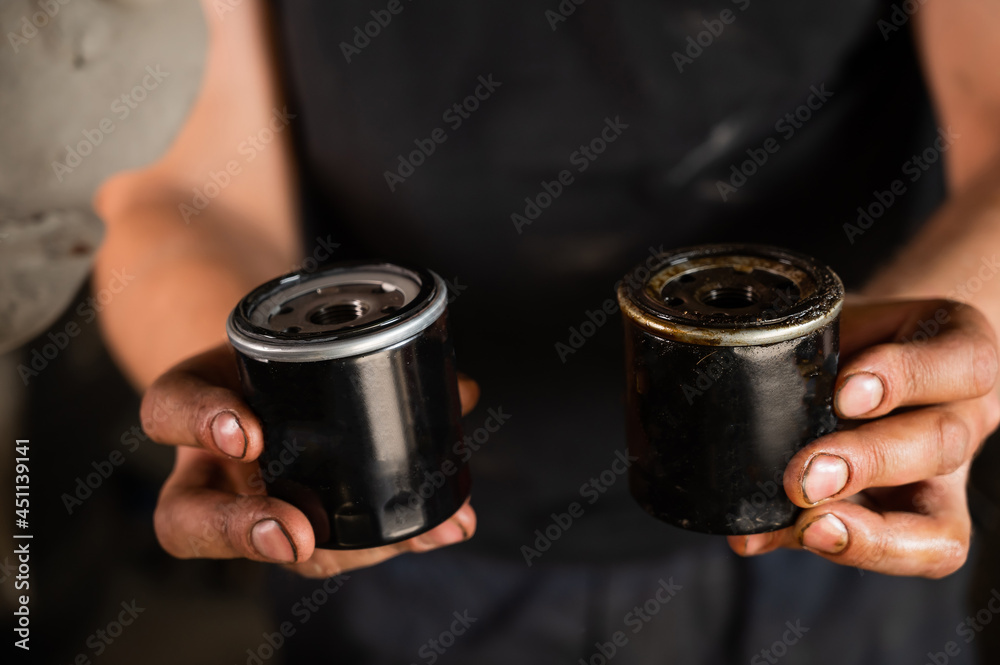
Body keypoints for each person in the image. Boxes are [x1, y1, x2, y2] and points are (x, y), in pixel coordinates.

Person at [93, 0, 1000, 662]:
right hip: (408, 551)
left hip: (838, 515)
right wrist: (255, 406)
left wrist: (913, 370)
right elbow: (180, 184)